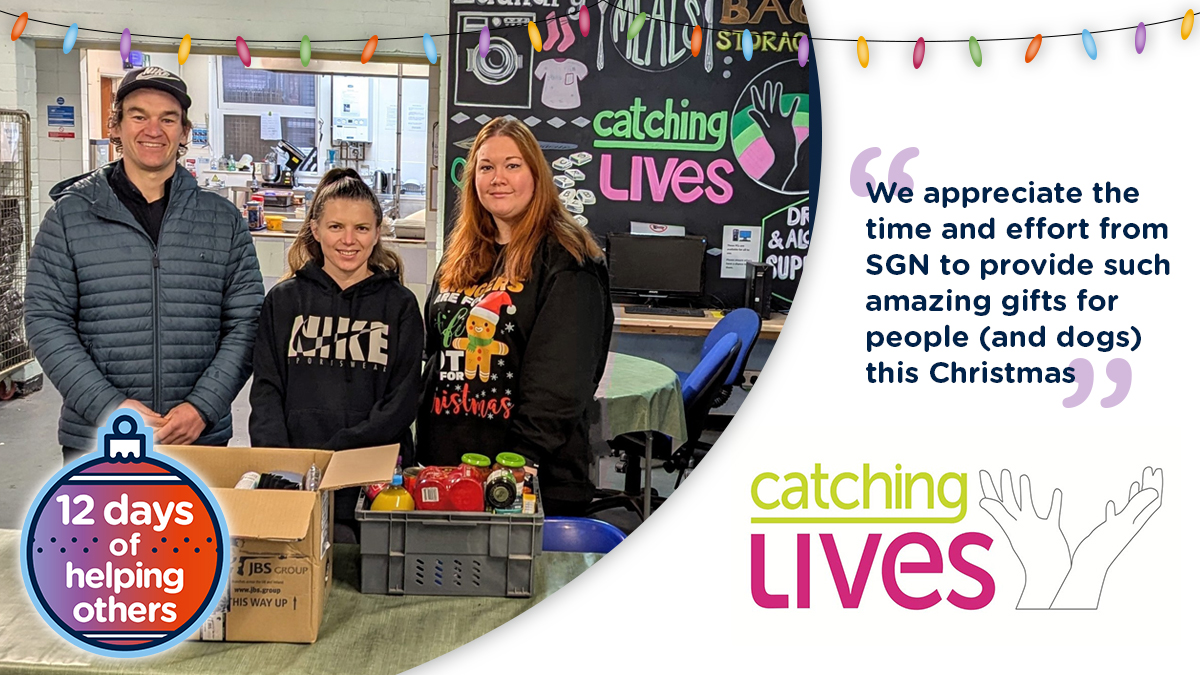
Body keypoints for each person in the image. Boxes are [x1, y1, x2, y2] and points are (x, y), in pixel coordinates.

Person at [24, 66, 263, 464]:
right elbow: (46, 321)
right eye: (138, 115)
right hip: (99, 439)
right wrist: (110, 408)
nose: (153, 129)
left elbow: (248, 322)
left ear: (184, 131)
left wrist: (202, 407)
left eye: (167, 119)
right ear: (115, 126)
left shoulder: (222, 221)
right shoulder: (70, 217)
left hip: (196, 441)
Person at [418, 118, 613, 516]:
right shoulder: (461, 255)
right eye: (486, 167)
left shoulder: (569, 260)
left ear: (536, 174)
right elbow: (434, 352)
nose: (497, 178)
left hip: (524, 479)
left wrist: (515, 464)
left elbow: (560, 386)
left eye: (512, 165)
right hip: (449, 470)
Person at [249, 169, 423, 529]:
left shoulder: (400, 306)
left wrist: (340, 450)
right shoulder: (284, 301)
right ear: (315, 230)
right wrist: (280, 464)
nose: (349, 240)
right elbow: (266, 390)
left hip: (373, 481)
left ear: (377, 232)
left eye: (361, 228)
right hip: (298, 478)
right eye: (335, 227)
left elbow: (402, 401)